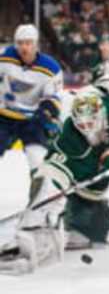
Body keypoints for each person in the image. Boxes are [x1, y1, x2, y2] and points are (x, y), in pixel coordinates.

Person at [0, 91, 109, 275]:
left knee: (97, 230)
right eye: (81, 124)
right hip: (77, 177)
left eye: (90, 123)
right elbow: (53, 170)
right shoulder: (70, 138)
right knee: (47, 183)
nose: (86, 128)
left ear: (100, 115)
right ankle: (34, 232)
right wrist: (47, 196)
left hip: (95, 188)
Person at [0, 24, 63, 203]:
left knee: (38, 161)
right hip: (3, 116)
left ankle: (38, 205)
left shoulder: (51, 67)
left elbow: (53, 97)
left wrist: (46, 112)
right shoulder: (4, 58)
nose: (24, 47)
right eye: (20, 43)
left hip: (32, 120)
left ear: (36, 44)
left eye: (28, 43)